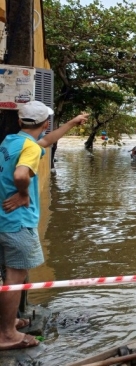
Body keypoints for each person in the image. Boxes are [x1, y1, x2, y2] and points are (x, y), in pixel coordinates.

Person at [0, 101, 88, 350]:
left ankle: (8, 322)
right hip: (17, 222)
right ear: (45, 123)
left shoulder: (11, 142)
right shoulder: (28, 148)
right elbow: (20, 175)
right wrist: (23, 194)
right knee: (15, 279)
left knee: (9, 276)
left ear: (20, 122)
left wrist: (71, 123)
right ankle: (6, 335)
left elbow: (45, 143)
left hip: (3, 220)